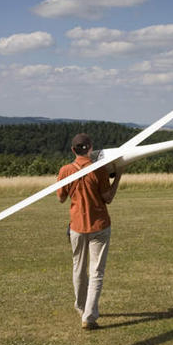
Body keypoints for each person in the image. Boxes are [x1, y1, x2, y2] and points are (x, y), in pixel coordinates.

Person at [57, 133, 122, 330]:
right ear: (91, 148)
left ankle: (80, 306)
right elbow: (108, 197)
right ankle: (89, 316)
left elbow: (61, 198)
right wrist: (118, 175)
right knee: (96, 272)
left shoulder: (65, 170)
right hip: (99, 226)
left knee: (78, 267)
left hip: (77, 226)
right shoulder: (100, 170)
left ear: (73, 150)